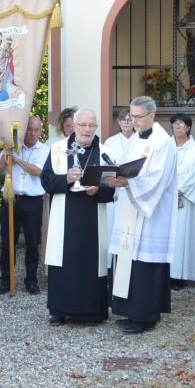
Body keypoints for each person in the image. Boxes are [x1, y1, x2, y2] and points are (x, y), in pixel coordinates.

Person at [106, 96, 178, 335]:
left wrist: (128, 182)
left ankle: (146, 316)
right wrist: (119, 175)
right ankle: (129, 311)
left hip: (151, 213)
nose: (133, 121)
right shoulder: (136, 138)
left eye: (137, 117)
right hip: (130, 207)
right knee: (129, 259)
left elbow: (158, 179)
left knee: (145, 263)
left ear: (152, 116)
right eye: (131, 116)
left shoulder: (163, 143)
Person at [42, 109, 115, 324]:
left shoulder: (104, 152)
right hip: (64, 213)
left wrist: (98, 190)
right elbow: (45, 180)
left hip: (92, 215)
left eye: (91, 125)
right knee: (63, 260)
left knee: (91, 262)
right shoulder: (57, 149)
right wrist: (65, 178)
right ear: (74, 125)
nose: (87, 129)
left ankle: (92, 312)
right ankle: (59, 310)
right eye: (82, 125)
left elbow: (112, 187)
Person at [0, 116, 50, 295]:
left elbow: (38, 172)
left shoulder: (44, 149)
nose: (32, 134)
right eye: (30, 130)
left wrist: (16, 160)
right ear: (24, 130)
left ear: (41, 132)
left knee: (32, 243)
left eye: (36, 130)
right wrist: (6, 156)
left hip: (33, 202)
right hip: (11, 198)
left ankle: (31, 281)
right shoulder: (11, 145)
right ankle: (6, 281)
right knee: (7, 242)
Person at [170, 113, 195, 286]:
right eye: (175, 123)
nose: (177, 126)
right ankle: (166, 274)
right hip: (165, 198)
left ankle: (179, 275)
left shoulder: (194, 149)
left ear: (188, 127)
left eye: (181, 124)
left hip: (183, 198)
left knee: (181, 235)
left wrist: (179, 190)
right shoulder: (166, 146)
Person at [102, 109, 136, 269]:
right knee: (114, 231)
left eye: (130, 119)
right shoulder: (110, 142)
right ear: (118, 122)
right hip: (116, 193)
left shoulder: (141, 141)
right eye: (124, 119)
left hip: (134, 191)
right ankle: (113, 266)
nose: (127, 122)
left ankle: (131, 266)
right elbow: (105, 168)